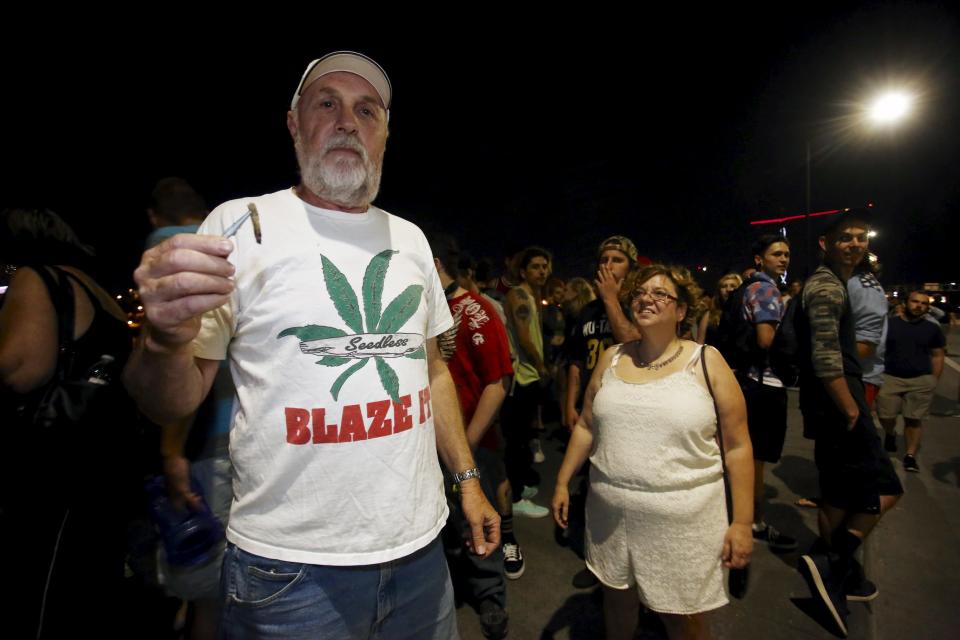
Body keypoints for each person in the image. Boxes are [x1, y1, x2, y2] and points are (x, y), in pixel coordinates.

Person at [124, 51, 498, 639]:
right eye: (328, 104)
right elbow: (167, 403)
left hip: (423, 557)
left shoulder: (411, 239)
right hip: (289, 574)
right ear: (295, 124)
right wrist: (163, 338)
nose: (348, 120)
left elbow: (434, 371)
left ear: (384, 136)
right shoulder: (238, 225)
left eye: (367, 110)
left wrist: (468, 481)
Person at [552, 264, 754, 640]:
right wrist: (563, 481)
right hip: (610, 515)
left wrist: (742, 522)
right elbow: (585, 425)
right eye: (641, 293)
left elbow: (739, 447)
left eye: (661, 293)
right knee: (616, 599)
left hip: (682, 526)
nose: (647, 298)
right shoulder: (612, 358)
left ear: (681, 311)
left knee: (681, 618)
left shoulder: (705, 362)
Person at [0, 207, 137, 638]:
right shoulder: (94, 288)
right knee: (85, 587)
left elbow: (22, 368)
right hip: (103, 457)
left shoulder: (37, 279)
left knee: (38, 590)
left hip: (51, 463)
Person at [796, 209, 903, 637]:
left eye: (862, 237)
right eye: (846, 238)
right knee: (886, 488)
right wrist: (852, 408)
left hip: (834, 401)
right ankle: (832, 561)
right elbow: (826, 355)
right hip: (839, 401)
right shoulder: (826, 286)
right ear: (827, 243)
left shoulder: (834, 282)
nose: (856, 244)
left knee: (839, 492)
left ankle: (832, 564)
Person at [145, 177, 234, 640]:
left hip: (203, 441)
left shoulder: (169, 254)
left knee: (207, 589)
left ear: (154, 216)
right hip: (237, 436)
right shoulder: (227, 247)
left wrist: (172, 451)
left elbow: (186, 365)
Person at [429, 233, 512, 638]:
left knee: (477, 522)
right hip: (431, 445)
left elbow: (497, 382)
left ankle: (491, 597)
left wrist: (468, 444)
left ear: (435, 262)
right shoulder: (422, 311)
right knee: (444, 525)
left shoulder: (476, 310)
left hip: (469, 444)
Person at [734, 235, 798, 551]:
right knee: (755, 461)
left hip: (753, 381)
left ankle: (745, 518)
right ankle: (753, 523)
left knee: (750, 458)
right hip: (764, 384)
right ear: (760, 259)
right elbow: (764, 339)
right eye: (776, 254)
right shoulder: (766, 289)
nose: (783, 259)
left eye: (786, 254)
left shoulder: (755, 287)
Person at [501, 246, 552, 516]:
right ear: (523, 271)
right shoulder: (520, 295)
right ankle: (516, 497)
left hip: (528, 377)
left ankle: (518, 485)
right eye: (535, 266)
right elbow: (523, 336)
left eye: (545, 266)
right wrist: (542, 366)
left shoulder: (532, 296)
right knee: (517, 440)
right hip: (522, 378)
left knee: (522, 437)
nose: (542, 271)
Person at [876, 291, 945, 471]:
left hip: (920, 379)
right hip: (891, 377)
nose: (919, 306)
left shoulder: (932, 328)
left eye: (923, 303)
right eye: (915, 302)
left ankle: (910, 456)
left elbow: (938, 355)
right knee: (885, 415)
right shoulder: (889, 325)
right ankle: (890, 433)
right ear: (906, 303)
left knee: (913, 420)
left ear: (927, 307)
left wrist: (933, 380)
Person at [697, 272, 742, 346]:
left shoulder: (745, 313)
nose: (728, 289)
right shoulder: (710, 315)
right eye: (724, 286)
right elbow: (700, 343)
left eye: (733, 286)